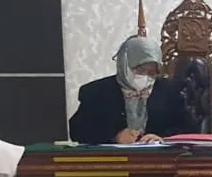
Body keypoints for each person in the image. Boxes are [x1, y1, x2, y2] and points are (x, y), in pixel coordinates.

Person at [69, 35, 200, 145]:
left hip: (158, 161)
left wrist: (162, 138)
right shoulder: (96, 92)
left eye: (152, 73)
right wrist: (114, 137)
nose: (145, 77)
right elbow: (77, 131)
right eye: (140, 70)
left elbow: (191, 129)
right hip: (112, 162)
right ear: (123, 64)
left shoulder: (168, 91)